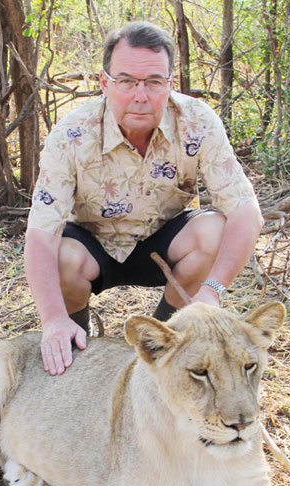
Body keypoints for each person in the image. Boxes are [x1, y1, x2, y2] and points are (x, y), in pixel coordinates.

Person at [24, 21, 263, 376]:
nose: (141, 95)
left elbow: (247, 214)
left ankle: (165, 344)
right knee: (61, 256)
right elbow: (40, 234)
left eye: (153, 82)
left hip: (161, 242)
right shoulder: (72, 133)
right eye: (126, 81)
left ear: (170, 83)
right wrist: (53, 318)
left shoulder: (197, 121)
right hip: (94, 246)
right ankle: (75, 339)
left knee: (213, 231)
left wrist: (212, 292)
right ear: (105, 83)